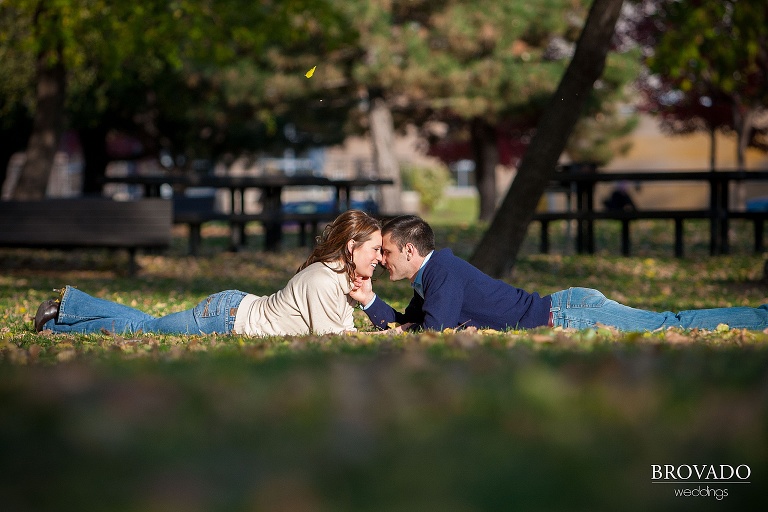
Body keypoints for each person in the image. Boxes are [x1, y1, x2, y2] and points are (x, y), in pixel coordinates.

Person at [349, 215, 768, 333]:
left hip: (571, 314)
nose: (381, 260)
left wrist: (402, 327)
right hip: (566, 311)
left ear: (409, 250)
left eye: (385, 252)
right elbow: (411, 325)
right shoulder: (429, 277)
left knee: (666, 323)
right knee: (666, 322)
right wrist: (368, 300)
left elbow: (430, 331)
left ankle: (761, 316)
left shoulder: (442, 271)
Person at [34, 210, 383, 336]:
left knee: (150, 324)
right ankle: (58, 316)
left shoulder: (338, 279)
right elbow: (328, 337)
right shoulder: (323, 279)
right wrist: (387, 337)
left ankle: (63, 313)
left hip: (230, 310)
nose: (380, 258)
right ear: (352, 247)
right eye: (375, 249)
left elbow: (343, 330)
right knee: (147, 328)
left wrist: (365, 301)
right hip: (226, 318)